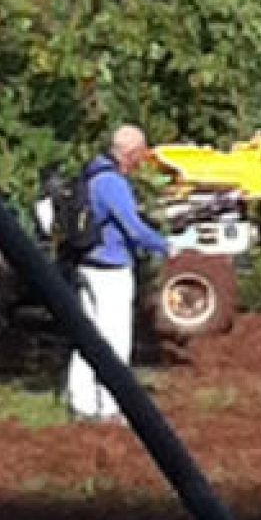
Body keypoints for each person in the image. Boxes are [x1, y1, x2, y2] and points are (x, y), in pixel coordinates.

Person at [66, 124, 171, 423]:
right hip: (110, 269)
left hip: (86, 264)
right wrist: (167, 247)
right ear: (131, 154)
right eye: (140, 154)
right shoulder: (113, 183)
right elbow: (134, 229)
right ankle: (111, 408)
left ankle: (82, 403)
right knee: (114, 339)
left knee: (87, 337)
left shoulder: (91, 175)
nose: (142, 162)